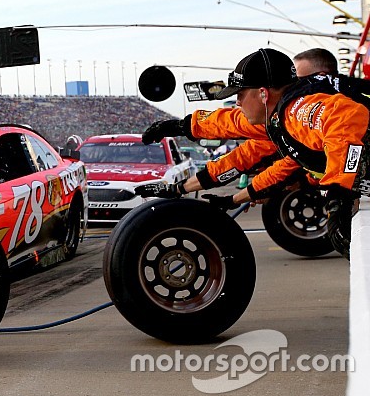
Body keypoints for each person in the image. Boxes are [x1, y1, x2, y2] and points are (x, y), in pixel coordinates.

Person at [140, 47, 368, 258]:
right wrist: (182, 129)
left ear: (263, 94)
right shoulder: (278, 120)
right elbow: (251, 153)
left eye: (240, 94)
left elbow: (345, 118)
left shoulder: (296, 110)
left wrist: (338, 196)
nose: (237, 102)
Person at [138, 48, 338, 199]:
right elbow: (240, 157)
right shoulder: (279, 124)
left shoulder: (310, 112)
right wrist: (180, 188)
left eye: (299, 81)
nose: (238, 102)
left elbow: (234, 125)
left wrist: (340, 196)